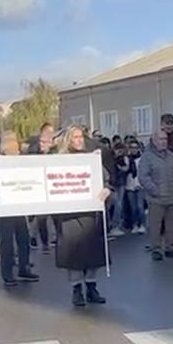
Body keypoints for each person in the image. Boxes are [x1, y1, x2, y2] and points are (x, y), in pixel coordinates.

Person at [53, 125, 113, 306]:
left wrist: (107, 190)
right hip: (70, 214)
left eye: (81, 137)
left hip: (90, 212)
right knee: (74, 253)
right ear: (68, 140)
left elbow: (106, 180)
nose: (79, 140)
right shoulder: (60, 161)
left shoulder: (91, 159)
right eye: (75, 137)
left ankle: (92, 287)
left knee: (93, 251)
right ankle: (77, 289)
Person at [0, 131, 39, 287]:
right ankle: (7, 273)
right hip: (4, 208)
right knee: (6, 242)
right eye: (15, 148)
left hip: (18, 206)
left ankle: (24, 267)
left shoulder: (19, 162)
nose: (18, 151)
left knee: (23, 238)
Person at [139, 129, 173, 260]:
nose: (163, 142)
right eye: (160, 139)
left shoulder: (171, 156)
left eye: (165, 139)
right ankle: (156, 249)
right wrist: (154, 190)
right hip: (156, 198)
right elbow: (143, 176)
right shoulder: (147, 157)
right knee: (155, 225)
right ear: (154, 141)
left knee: (172, 224)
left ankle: (171, 247)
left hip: (171, 196)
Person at [28, 123, 56, 251]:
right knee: (41, 218)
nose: (43, 144)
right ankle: (44, 243)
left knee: (55, 216)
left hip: (54, 189)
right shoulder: (33, 151)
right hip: (39, 189)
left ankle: (56, 239)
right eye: (42, 141)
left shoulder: (56, 152)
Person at [124, 138, 146, 234]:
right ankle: (135, 224)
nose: (134, 149)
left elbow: (144, 172)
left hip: (140, 185)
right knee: (133, 208)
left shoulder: (142, 159)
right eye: (132, 147)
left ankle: (142, 224)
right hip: (130, 185)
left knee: (140, 207)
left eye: (135, 147)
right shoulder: (126, 159)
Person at [109, 142, 131, 237]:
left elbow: (126, 168)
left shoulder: (124, 158)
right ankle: (113, 225)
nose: (120, 152)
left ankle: (115, 225)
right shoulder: (110, 159)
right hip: (113, 184)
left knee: (119, 204)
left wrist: (121, 166)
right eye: (118, 150)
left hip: (121, 183)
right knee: (116, 204)